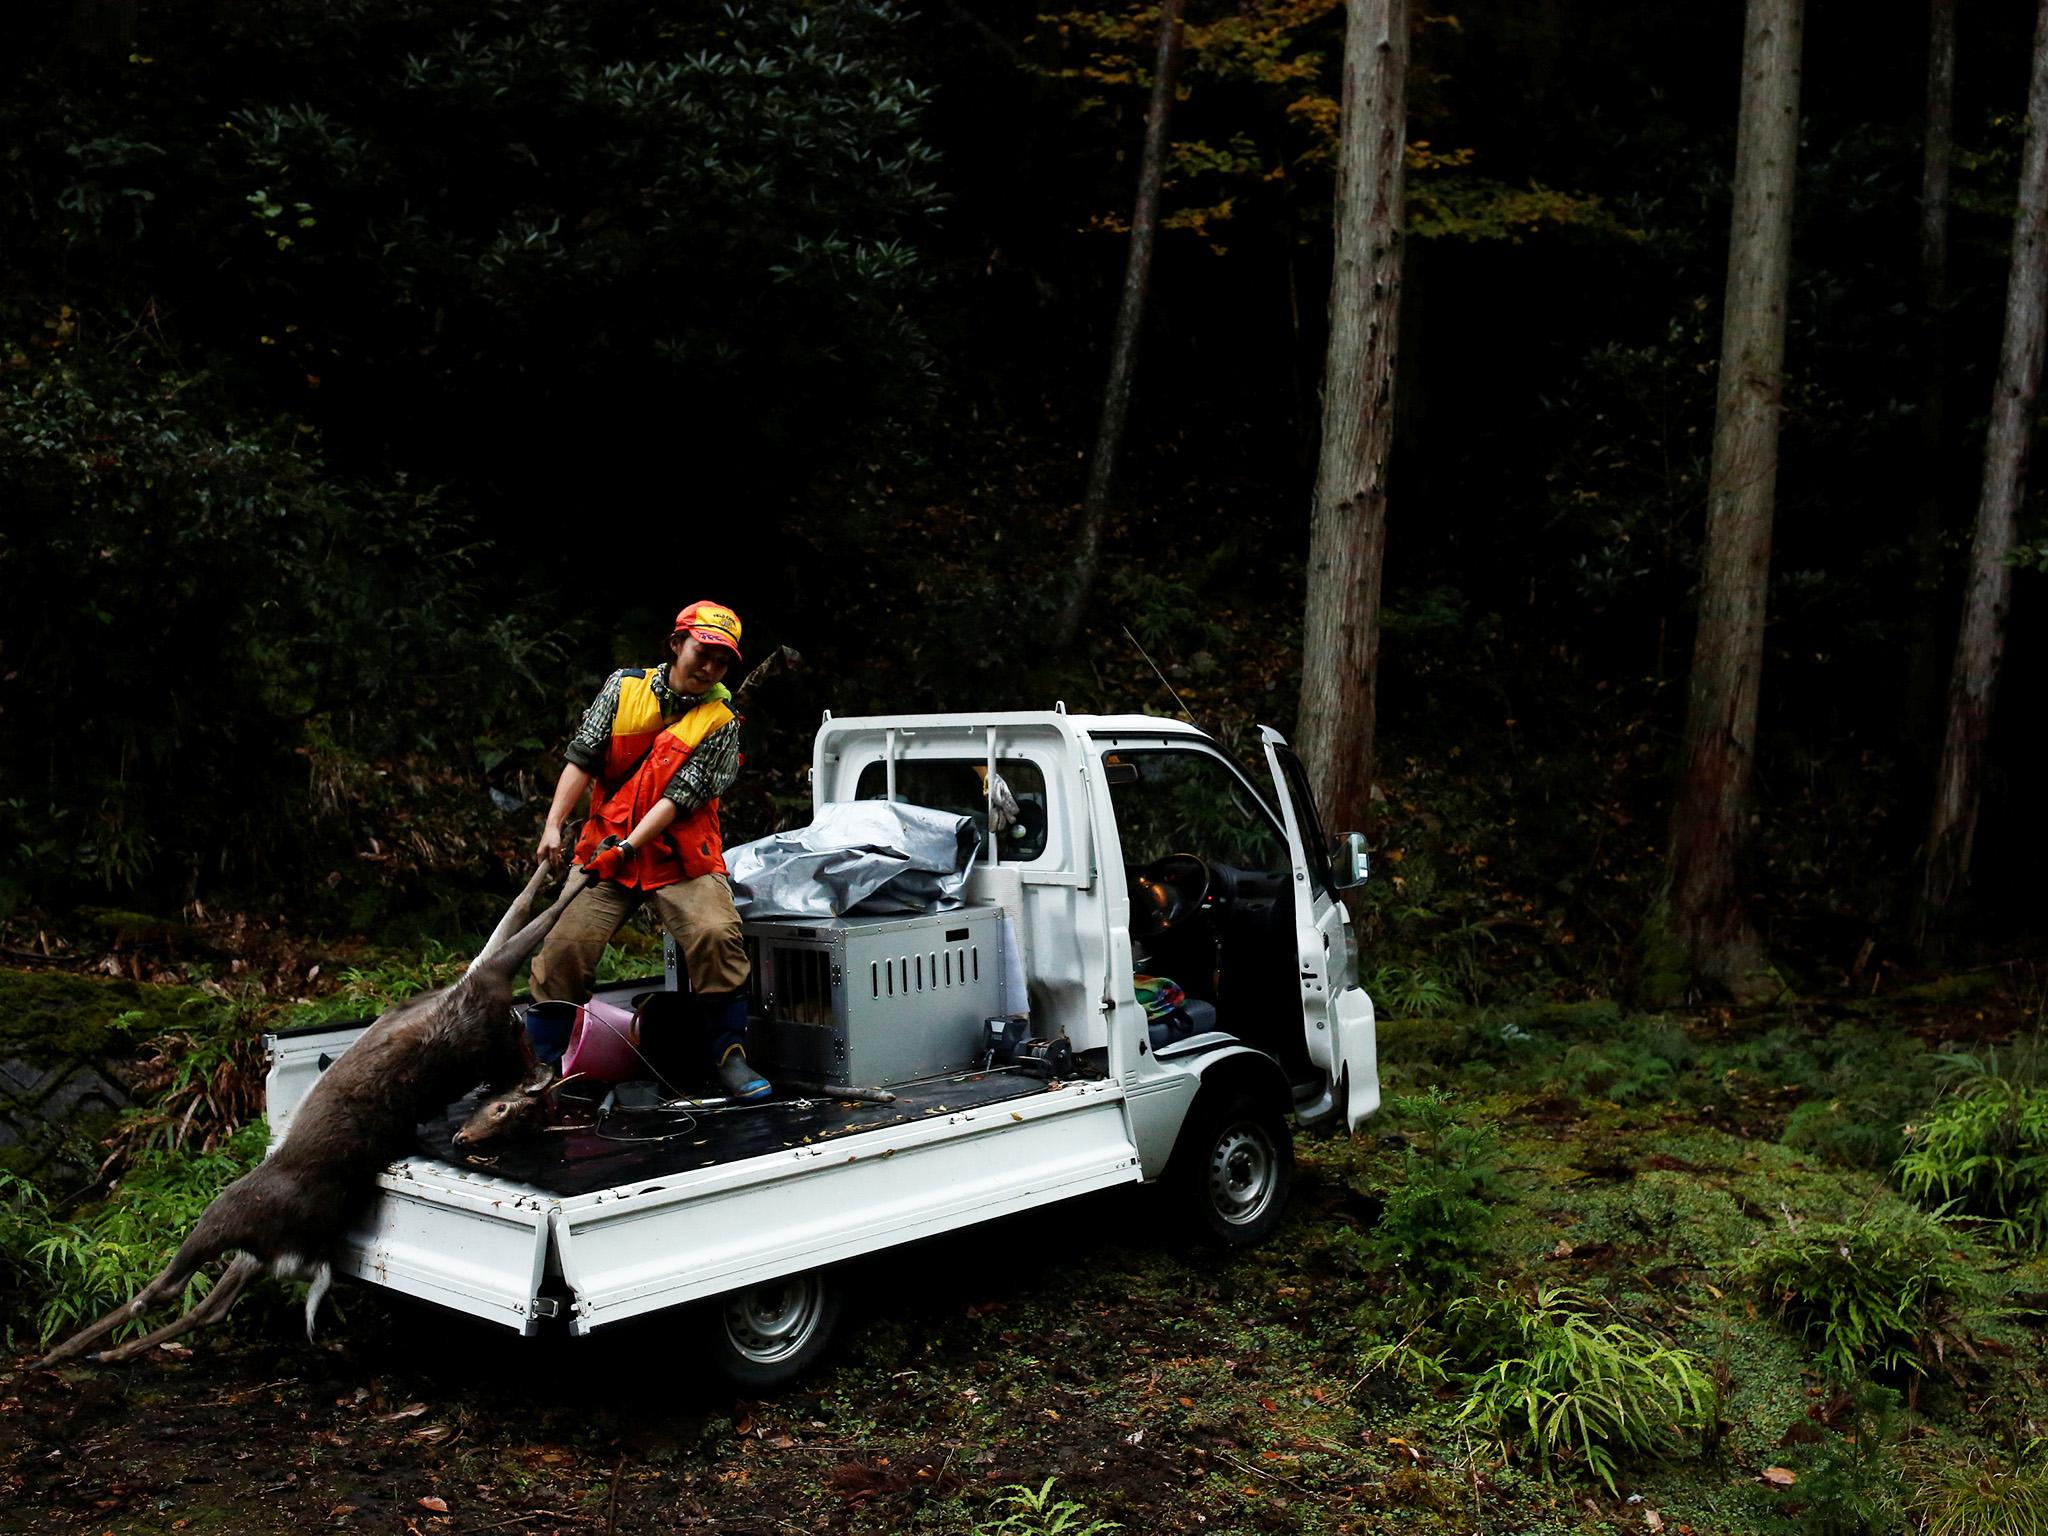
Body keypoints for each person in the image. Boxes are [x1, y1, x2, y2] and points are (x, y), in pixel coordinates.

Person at [530, 600, 769, 1101]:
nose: (709, 668)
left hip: (679, 851)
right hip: (605, 848)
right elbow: (582, 757)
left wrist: (631, 847)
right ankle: (542, 1067)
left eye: (722, 661)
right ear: (677, 644)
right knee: (563, 951)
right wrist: (554, 826)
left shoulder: (722, 720)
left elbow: (679, 798)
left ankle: (728, 1056)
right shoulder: (623, 688)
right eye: (702, 653)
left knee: (715, 935)